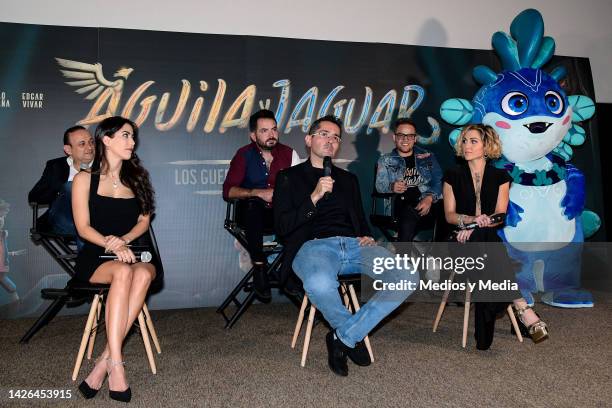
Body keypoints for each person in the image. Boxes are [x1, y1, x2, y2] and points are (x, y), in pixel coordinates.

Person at [274, 115, 416, 376]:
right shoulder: (288, 177)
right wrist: (314, 196)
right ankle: (351, 334)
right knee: (318, 283)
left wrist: (365, 234)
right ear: (308, 139)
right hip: (313, 247)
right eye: (324, 134)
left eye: (336, 137)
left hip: (354, 245)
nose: (331, 140)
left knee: (407, 276)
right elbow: (282, 228)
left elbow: (359, 219)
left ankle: (343, 336)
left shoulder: (348, 180)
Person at [73, 116, 162, 402]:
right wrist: (111, 244)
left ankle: (104, 362)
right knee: (124, 273)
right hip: (97, 255)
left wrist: (123, 240)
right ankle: (116, 364)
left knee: (144, 273)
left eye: (133, 137)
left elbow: (144, 221)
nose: (132, 142)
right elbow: (83, 228)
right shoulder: (84, 179)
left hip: (136, 249)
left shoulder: (138, 179)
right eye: (125, 135)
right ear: (106, 140)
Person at [442, 124, 549, 349]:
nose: (467, 145)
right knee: (489, 244)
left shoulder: (501, 176)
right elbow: (450, 216)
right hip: (457, 239)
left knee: (485, 240)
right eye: (465, 141)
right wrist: (471, 221)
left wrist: (476, 227)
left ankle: (488, 334)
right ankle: (522, 306)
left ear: (486, 145)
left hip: (482, 238)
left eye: (473, 141)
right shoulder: (452, 174)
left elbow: (500, 215)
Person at [223, 109, 300, 300]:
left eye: (274, 129)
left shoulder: (290, 154)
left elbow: (301, 189)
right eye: (264, 130)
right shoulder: (243, 155)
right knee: (253, 205)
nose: (271, 134)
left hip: (280, 215)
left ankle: (287, 270)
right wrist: (257, 193)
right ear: (253, 135)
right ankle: (259, 267)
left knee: (302, 213)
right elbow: (228, 191)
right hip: (251, 215)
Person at [375, 118, 442, 241]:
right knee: (408, 212)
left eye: (410, 136)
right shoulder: (385, 160)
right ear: (394, 137)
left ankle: (440, 254)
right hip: (401, 206)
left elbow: (438, 180)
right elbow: (379, 185)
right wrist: (391, 186)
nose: (405, 139)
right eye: (401, 135)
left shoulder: (427, 156)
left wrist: (429, 197)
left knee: (446, 209)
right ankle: (403, 257)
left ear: (415, 138)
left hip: (428, 205)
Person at [29, 126, 94, 241]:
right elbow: (34, 196)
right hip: (61, 218)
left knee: (87, 229)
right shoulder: (56, 166)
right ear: (68, 150)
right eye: (82, 144)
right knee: (71, 186)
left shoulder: (104, 167)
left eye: (91, 142)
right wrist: (61, 191)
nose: (89, 147)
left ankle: (86, 253)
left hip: (92, 222)